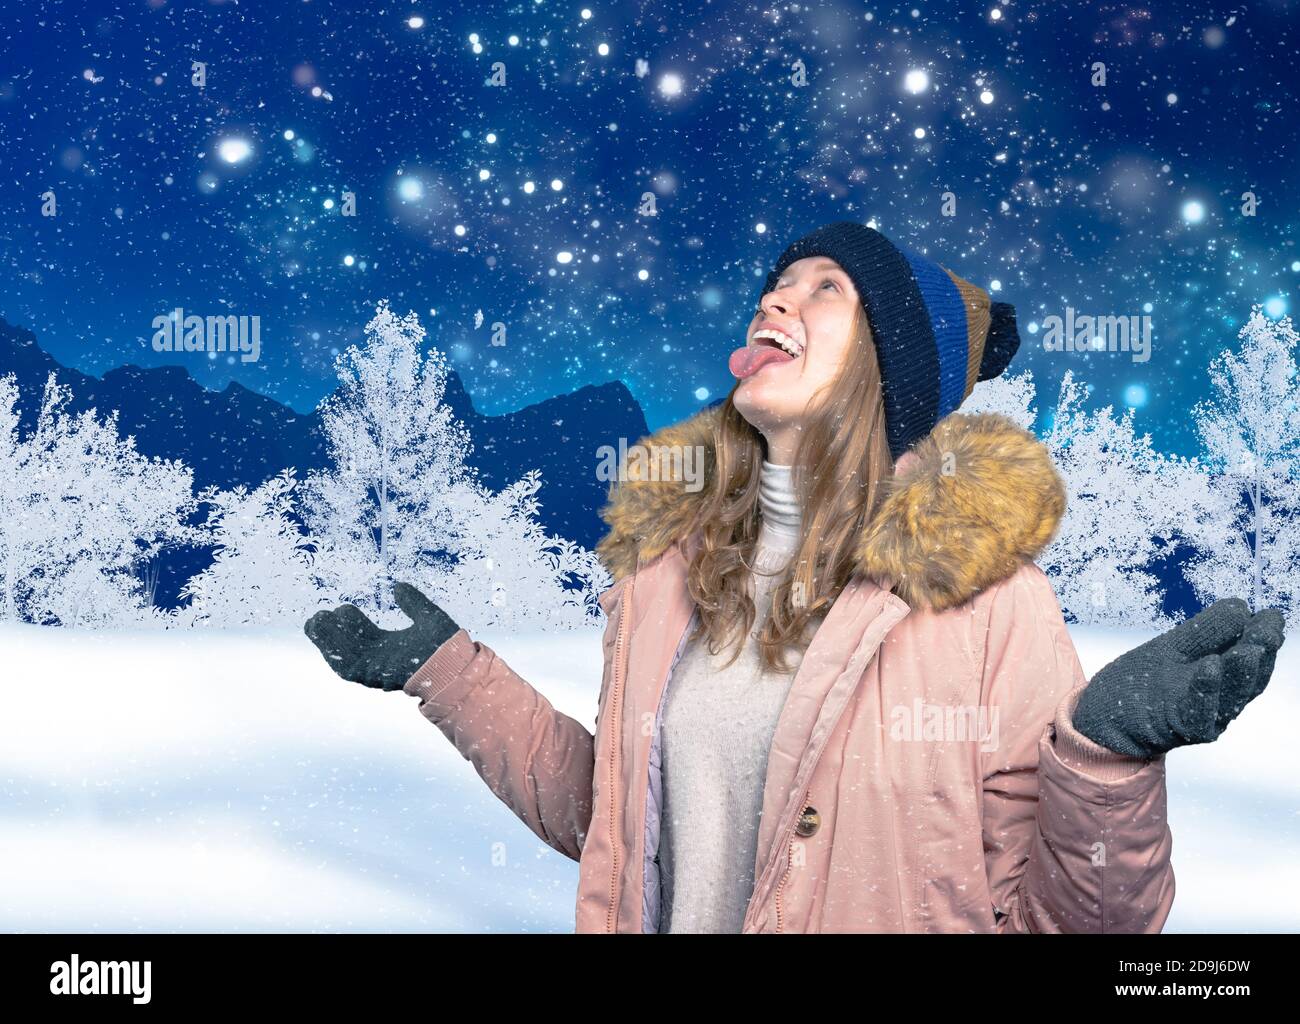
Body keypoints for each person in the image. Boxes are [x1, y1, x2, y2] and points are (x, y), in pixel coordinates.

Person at [304, 221, 1285, 933]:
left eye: (826, 288)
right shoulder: (668, 580)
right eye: (778, 284)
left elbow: (1079, 931)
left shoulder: (986, 600)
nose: (777, 297)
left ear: (888, 370)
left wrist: (1104, 757)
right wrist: (450, 672)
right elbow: (617, 823)